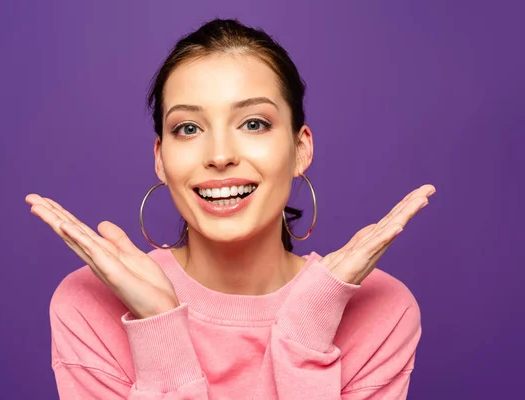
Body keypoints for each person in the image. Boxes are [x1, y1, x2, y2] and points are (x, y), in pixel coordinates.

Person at [25, 18, 436, 399]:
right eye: (188, 128)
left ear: (300, 148)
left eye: (253, 123)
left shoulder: (382, 310)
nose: (220, 155)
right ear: (160, 159)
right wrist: (158, 325)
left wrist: (310, 320)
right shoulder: (89, 304)